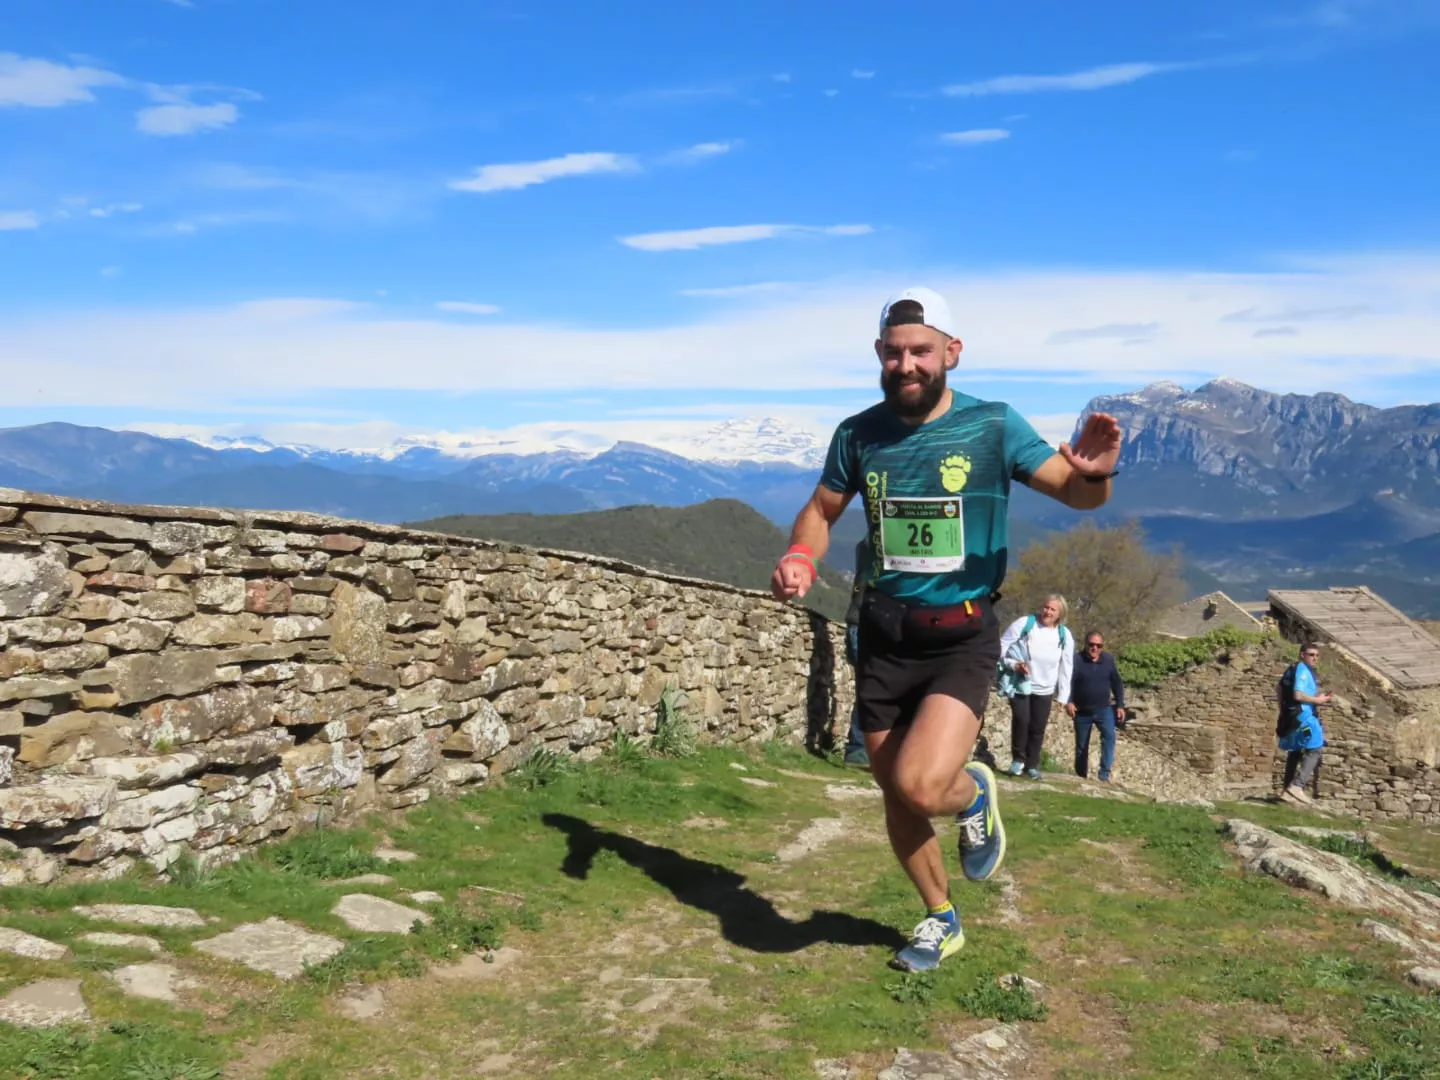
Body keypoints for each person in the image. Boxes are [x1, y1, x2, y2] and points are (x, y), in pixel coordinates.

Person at [769, 285, 1121, 973]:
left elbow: (1074, 493)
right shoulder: (858, 434)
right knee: (894, 791)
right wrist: (799, 555)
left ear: (952, 354)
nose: (907, 365)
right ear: (879, 355)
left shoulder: (993, 425)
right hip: (885, 634)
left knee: (925, 785)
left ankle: (975, 790)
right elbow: (820, 509)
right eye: (894, 353)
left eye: (921, 352)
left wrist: (1097, 477)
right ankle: (940, 918)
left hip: (961, 635)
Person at [997, 595, 1074, 779]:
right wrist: (1013, 664)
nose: (1047, 612)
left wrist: (1063, 696)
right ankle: (1018, 760)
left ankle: (1032, 765)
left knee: (1037, 728)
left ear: (1060, 613)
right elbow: (1002, 646)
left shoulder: (1064, 635)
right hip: (1021, 684)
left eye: (1052, 609)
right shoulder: (1025, 624)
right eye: (1045, 607)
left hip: (1045, 689)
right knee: (1022, 720)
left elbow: (1067, 666)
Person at [1066, 630, 1126, 782]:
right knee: (1081, 746)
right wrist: (1069, 701)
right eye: (1091, 645)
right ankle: (1081, 777)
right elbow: (1067, 682)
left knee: (1109, 737)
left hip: (1103, 709)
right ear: (1086, 644)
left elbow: (1117, 683)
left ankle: (1104, 775)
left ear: (1102, 647)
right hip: (1082, 711)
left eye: (1099, 646)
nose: (1095, 648)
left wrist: (1120, 705)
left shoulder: (1108, 660)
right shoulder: (1076, 660)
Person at [1277, 642, 1332, 804]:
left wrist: (1283, 710)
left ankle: (1286, 790)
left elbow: (1279, 688)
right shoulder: (1302, 670)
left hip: (1293, 718)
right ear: (1302, 655)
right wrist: (1318, 700)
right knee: (1315, 746)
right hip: (1304, 720)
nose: (1315, 658)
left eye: (1317, 655)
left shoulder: (1293, 668)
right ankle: (1297, 786)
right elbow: (1298, 695)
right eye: (1311, 654)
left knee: (1295, 751)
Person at [843, 538, 870, 768]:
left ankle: (862, 749)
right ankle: (859, 750)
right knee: (870, 688)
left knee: (871, 687)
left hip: (861, 623)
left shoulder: (865, 544)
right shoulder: (875, 544)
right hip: (865, 624)